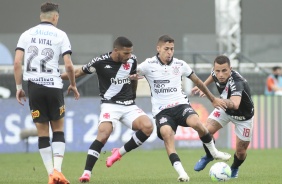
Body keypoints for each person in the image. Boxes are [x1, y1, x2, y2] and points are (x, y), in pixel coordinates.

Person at [133, 35, 231, 182]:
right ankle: (182, 173)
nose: (169, 52)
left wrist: (213, 99)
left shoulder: (180, 64)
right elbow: (132, 72)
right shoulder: (149, 64)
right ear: (158, 48)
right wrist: (130, 74)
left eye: (172, 49)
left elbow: (198, 81)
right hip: (162, 111)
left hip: (180, 105)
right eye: (166, 49)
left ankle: (214, 152)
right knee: (167, 134)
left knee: (197, 123)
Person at [61, 36, 153, 183]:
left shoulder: (132, 60)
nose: (129, 56)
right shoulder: (99, 62)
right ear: (115, 50)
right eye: (125, 53)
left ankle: (118, 153)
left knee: (148, 127)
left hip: (129, 105)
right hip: (110, 104)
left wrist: (133, 96)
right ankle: (86, 173)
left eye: (130, 53)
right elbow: (77, 73)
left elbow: (132, 78)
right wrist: (57, 77)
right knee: (103, 134)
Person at [14, 2, 80, 184]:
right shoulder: (61, 35)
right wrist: (73, 84)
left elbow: (17, 63)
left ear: (40, 16)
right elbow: (68, 65)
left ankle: (51, 175)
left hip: (34, 87)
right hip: (54, 86)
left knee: (42, 133)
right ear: (55, 17)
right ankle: (57, 171)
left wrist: (19, 88)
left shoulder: (26, 34)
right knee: (58, 130)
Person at [192, 55, 254, 179]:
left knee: (241, 152)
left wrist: (215, 99)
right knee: (205, 131)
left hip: (243, 117)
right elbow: (212, 75)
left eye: (224, 70)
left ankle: (234, 168)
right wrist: (203, 86)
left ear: (230, 69)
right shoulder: (216, 73)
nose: (220, 74)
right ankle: (209, 155)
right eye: (217, 71)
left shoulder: (237, 82)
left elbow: (235, 104)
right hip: (225, 109)